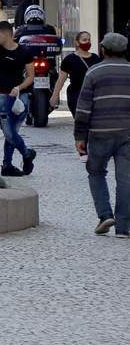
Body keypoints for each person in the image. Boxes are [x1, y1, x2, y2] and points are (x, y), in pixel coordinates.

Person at [74, 32, 130, 238]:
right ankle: (123, 227)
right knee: (126, 179)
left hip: (100, 133)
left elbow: (83, 108)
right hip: (127, 135)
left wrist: (80, 136)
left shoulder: (94, 72)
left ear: (103, 50)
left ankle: (105, 215)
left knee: (96, 172)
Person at [0, 17, 37, 176]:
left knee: (12, 131)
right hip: (1, 96)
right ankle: (27, 154)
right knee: (8, 133)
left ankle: (7, 165)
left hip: (20, 97)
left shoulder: (24, 52)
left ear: (7, 34)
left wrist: (19, 88)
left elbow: (31, 76)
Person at [53, 30, 100, 116]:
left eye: (89, 40)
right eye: (84, 40)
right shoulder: (69, 59)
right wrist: (55, 96)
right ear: (77, 43)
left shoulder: (96, 58)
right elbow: (61, 79)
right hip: (76, 96)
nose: (87, 42)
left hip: (93, 95)